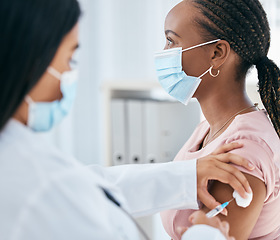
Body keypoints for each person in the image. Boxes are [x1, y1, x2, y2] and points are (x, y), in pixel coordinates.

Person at [0, 0, 254, 239]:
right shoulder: (41, 185)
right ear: (28, 60)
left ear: (218, 52)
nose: (65, 82)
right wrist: (206, 234)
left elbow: (91, 185)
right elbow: (71, 191)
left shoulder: (248, 145)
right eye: (69, 59)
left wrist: (184, 177)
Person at [156, 0, 280, 240]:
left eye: (172, 41)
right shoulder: (208, 129)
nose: (164, 53)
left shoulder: (242, 150)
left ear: (217, 53)